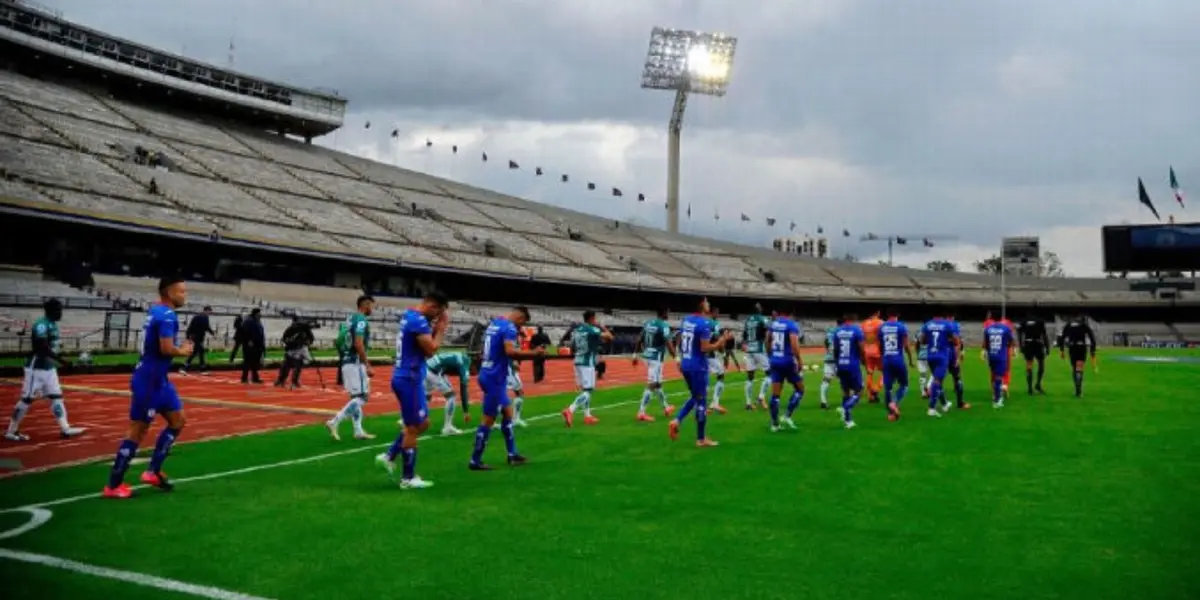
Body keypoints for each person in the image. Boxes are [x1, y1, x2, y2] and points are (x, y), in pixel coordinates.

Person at [102, 277, 194, 499]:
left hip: (159, 379)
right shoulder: (167, 315)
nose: (185, 296)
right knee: (138, 430)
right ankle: (114, 484)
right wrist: (182, 351)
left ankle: (152, 471)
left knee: (178, 420)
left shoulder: (156, 311)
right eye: (181, 292)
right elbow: (165, 349)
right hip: (148, 381)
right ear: (169, 293)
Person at [375, 293, 450, 489]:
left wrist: (435, 327)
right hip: (409, 378)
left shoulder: (410, 315)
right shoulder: (419, 321)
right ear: (432, 306)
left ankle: (389, 456)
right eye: (438, 313)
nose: (437, 318)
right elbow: (431, 349)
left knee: (423, 423)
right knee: (413, 427)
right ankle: (407, 478)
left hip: (409, 377)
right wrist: (441, 329)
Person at [470, 306, 542, 470]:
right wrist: (534, 354)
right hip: (494, 377)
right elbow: (510, 352)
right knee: (488, 419)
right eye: (522, 323)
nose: (520, 327)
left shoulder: (495, 323)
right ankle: (475, 460)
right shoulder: (509, 328)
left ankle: (512, 454)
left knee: (508, 413)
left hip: (488, 372)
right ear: (520, 318)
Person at [5, 298, 86, 442]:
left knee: (56, 397)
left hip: (49, 368)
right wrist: (62, 361)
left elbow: (51, 347)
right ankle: (11, 431)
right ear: (50, 311)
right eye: (58, 310)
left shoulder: (53, 325)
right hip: (36, 369)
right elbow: (42, 347)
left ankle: (65, 428)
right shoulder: (41, 325)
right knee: (27, 399)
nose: (61, 313)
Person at [668, 298, 732, 447]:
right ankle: (701, 439)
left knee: (695, 397)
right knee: (701, 400)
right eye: (706, 301)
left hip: (686, 363)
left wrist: (679, 357)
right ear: (702, 305)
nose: (708, 303)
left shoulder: (686, 320)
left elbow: (680, 338)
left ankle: (677, 421)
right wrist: (721, 341)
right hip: (698, 366)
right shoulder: (704, 324)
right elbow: (705, 348)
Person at [326, 295, 377, 441]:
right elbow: (358, 343)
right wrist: (367, 364)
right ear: (365, 305)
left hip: (346, 361)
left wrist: (345, 356)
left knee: (355, 398)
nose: (372, 309)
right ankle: (334, 421)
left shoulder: (349, 319)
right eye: (371, 306)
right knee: (363, 397)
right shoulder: (361, 320)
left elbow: (338, 341)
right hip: (356, 363)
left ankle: (358, 430)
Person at [562, 310, 613, 427]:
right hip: (587, 363)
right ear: (591, 318)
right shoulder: (592, 329)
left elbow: (572, 347)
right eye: (595, 318)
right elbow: (610, 336)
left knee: (584, 390)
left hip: (577, 361)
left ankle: (587, 416)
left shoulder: (577, 330)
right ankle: (570, 410)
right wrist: (601, 326)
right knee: (588, 391)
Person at [632, 307, 676, 421]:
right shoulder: (663, 326)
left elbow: (639, 339)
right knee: (652, 384)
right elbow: (669, 343)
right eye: (668, 312)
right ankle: (641, 412)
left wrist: (635, 355)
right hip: (656, 358)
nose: (668, 314)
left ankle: (666, 407)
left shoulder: (648, 323)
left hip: (647, 355)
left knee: (658, 383)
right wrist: (677, 358)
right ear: (664, 313)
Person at [765, 306, 805, 431]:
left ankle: (775, 424)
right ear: (791, 313)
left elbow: (767, 340)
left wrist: (770, 355)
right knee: (800, 390)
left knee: (775, 395)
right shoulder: (791, 325)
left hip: (775, 361)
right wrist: (799, 359)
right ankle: (787, 416)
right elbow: (794, 344)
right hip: (788, 361)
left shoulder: (773, 324)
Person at [878, 309, 915, 421]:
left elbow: (880, 345)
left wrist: (882, 358)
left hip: (886, 359)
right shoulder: (901, 326)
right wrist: (910, 359)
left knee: (888, 388)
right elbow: (906, 345)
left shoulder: (882, 327)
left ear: (887, 315)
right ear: (897, 315)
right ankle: (894, 403)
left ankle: (890, 414)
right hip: (898, 359)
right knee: (904, 385)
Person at [424, 351, 471, 436]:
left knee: (426, 397)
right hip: (434, 371)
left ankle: (409, 420)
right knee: (451, 396)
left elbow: (445, 367)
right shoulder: (465, 364)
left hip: (426, 367)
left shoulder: (459, 355)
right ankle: (447, 427)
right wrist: (466, 411)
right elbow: (463, 388)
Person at [832, 314, 866, 429]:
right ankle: (845, 408)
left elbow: (835, 350)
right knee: (859, 391)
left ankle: (848, 421)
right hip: (853, 365)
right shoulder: (857, 330)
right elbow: (862, 348)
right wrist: (864, 361)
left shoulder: (837, 331)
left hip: (841, 364)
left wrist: (837, 364)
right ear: (854, 320)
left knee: (845, 392)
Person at [920, 314, 956, 418]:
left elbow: (922, 340)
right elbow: (956, 341)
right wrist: (948, 340)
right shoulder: (947, 325)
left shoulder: (927, 324)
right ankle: (931, 408)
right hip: (941, 356)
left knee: (937, 380)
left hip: (930, 356)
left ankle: (944, 404)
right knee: (937, 381)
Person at [1057, 314, 1098, 398]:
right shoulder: (1084, 325)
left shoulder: (1068, 326)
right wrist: (1092, 351)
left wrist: (1062, 350)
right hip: (1081, 348)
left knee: (1074, 368)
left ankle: (1076, 389)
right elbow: (1092, 338)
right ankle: (1079, 390)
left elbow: (1062, 338)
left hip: (1072, 348)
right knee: (1079, 368)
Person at [741, 303, 772, 411]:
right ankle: (761, 397)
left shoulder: (748, 320)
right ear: (759, 310)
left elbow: (744, 335)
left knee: (750, 377)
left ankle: (748, 403)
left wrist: (744, 344)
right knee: (770, 374)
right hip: (759, 349)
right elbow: (769, 331)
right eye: (760, 307)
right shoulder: (762, 319)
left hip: (749, 350)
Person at [983, 319, 1016, 408]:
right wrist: (1012, 348)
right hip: (1001, 354)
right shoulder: (1006, 327)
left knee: (994, 373)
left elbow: (985, 343)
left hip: (992, 354)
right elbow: (1012, 340)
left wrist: (984, 352)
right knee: (1001, 374)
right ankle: (998, 399)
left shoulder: (988, 328)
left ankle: (996, 393)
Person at [1016, 312, 1051, 395]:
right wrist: (1047, 347)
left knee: (1029, 364)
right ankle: (1038, 384)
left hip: (1028, 344)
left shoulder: (1024, 322)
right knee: (1041, 364)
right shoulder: (1040, 321)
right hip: (1038, 344)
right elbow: (1044, 335)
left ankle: (1030, 389)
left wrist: (1021, 346)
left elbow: (1020, 334)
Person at [275, 317, 314, 389]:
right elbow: (285, 338)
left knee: (296, 366)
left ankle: (293, 381)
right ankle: (281, 380)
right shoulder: (290, 329)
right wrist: (289, 342)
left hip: (300, 349)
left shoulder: (305, 328)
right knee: (286, 366)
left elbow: (311, 338)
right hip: (291, 349)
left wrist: (308, 341)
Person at [942, 313, 969, 411]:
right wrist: (959, 354)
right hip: (952, 354)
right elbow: (957, 342)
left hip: (941, 354)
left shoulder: (940, 324)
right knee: (957, 378)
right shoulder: (955, 325)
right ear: (953, 317)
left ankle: (942, 403)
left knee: (938, 380)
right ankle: (960, 403)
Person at [705, 306, 728, 414]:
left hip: (701, 355)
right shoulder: (715, 324)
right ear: (713, 313)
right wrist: (724, 354)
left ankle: (703, 406)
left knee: (705, 379)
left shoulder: (704, 322)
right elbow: (719, 340)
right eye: (717, 313)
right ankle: (715, 403)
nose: (718, 315)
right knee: (721, 376)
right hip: (710, 355)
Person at [180, 305, 214, 375]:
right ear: (206, 310)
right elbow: (192, 326)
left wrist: (212, 333)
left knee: (196, 352)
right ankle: (201, 369)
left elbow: (206, 327)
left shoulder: (204, 317)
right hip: (196, 337)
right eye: (209, 311)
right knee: (200, 351)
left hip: (199, 337)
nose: (210, 313)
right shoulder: (199, 317)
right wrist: (188, 336)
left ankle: (185, 367)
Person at [860, 311, 884, 403]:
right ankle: (876, 389)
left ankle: (871, 397)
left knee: (869, 373)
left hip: (867, 351)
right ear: (877, 313)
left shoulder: (864, 323)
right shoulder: (880, 323)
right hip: (878, 351)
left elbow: (862, 338)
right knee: (885, 372)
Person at [239, 308, 265, 385]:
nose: (260, 315)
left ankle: (255, 378)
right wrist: (248, 340)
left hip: (257, 345)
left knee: (255, 362)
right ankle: (244, 378)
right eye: (259, 313)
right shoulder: (248, 321)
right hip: (250, 345)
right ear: (256, 313)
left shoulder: (257, 321)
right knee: (247, 362)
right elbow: (243, 331)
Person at [819, 321, 838, 410]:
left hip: (828, 358)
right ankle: (848, 400)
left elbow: (826, 343)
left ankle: (823, 401)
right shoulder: (841, 332)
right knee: (846, 380)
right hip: (839, 360)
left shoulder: (830, 332)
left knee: (826, 380)